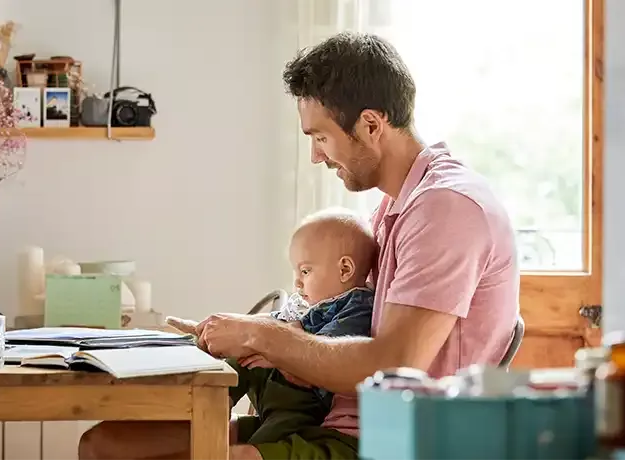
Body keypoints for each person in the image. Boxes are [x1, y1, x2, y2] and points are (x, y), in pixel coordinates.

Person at [78, 31, 520, 460]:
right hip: (334, 419)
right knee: (105, 446)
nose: (315, 156)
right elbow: (344, 327)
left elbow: (392, 365)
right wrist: (250, 337)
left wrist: (262, 335)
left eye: (320, 137)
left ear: (370, 124)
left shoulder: (445, 208)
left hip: (387, 440)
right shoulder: (395, 208)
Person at [225, 208, 376, 451]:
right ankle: (220, 399)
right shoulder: (311, 302)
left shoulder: (357, 307)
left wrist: (278, 346)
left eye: (305, 271)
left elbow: (325, 353)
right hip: (280, 382)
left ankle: (257, 446)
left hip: (305, 399)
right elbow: (274, 322)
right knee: (242, 352)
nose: (297, 281)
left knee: (271, 437)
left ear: (345, 269)